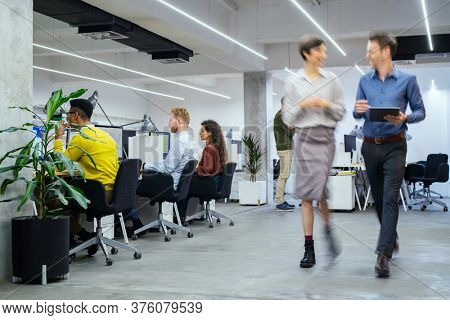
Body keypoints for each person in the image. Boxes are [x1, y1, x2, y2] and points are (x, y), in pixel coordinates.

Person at [354, 31, 426, 278]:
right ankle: (390, 235)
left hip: (396, 145)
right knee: (379, 198)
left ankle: (383, 255)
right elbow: (357, 113)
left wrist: (406, 117)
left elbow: (420, 111)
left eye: (370, 50)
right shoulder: (364, 81)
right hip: (370, 145)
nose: (367, 55)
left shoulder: (408, 80)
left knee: (391, 197)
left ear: (385, 51)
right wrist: (358, 109)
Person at [282, 34, 346, 268]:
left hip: (325, 138)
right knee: (308, 195)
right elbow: (287, 118)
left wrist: (325, 104)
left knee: (318, 192)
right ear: (307, 54)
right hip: (304, 138)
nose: (324, 55)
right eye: (320, 51)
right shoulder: (293, 82)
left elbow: (340, 112)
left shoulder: (332, 80)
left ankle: (327, 229)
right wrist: (302, 105)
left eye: (325, 51)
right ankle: (309, 248)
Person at [54, 98, 119, 244]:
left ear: (75, 115)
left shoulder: (82, 137)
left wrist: (58, 137)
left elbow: (59, 166)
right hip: (111, 193)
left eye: (68, 115)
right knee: (72, 194)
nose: (67, 118)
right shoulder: (107, 137)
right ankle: (74, 239)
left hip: (96, 195)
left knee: (52, 202)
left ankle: (84, 235)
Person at [129, 107, 197, 232]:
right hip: (176, 185)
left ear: (179, 121)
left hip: (168, 185)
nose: (168, 123)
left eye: (171, 120)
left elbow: (167, 168)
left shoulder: (180, 141)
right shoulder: (191, 140)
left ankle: (136, 224)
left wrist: (144, 166)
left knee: (129, 187)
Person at [176, 120, 228, 223]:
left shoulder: (209, 148)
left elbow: (206, 170)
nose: (200, 133)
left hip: (210, 185)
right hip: (215, 183)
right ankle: (185, 216)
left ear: (210, 133)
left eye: (202, 131)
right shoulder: (218, 147)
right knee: (187, 184)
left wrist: (195, 168)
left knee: (183, 186)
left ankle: (180, 217)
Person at [273, 97, 295, 211]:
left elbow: (290, 130)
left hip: (287, 148)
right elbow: (290, 133)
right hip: (284, 149)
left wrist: (292, 127)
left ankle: (281, 199)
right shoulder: (282, 116)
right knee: (284, 175)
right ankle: (279, 201)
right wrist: (293, 127)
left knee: (285, 175)